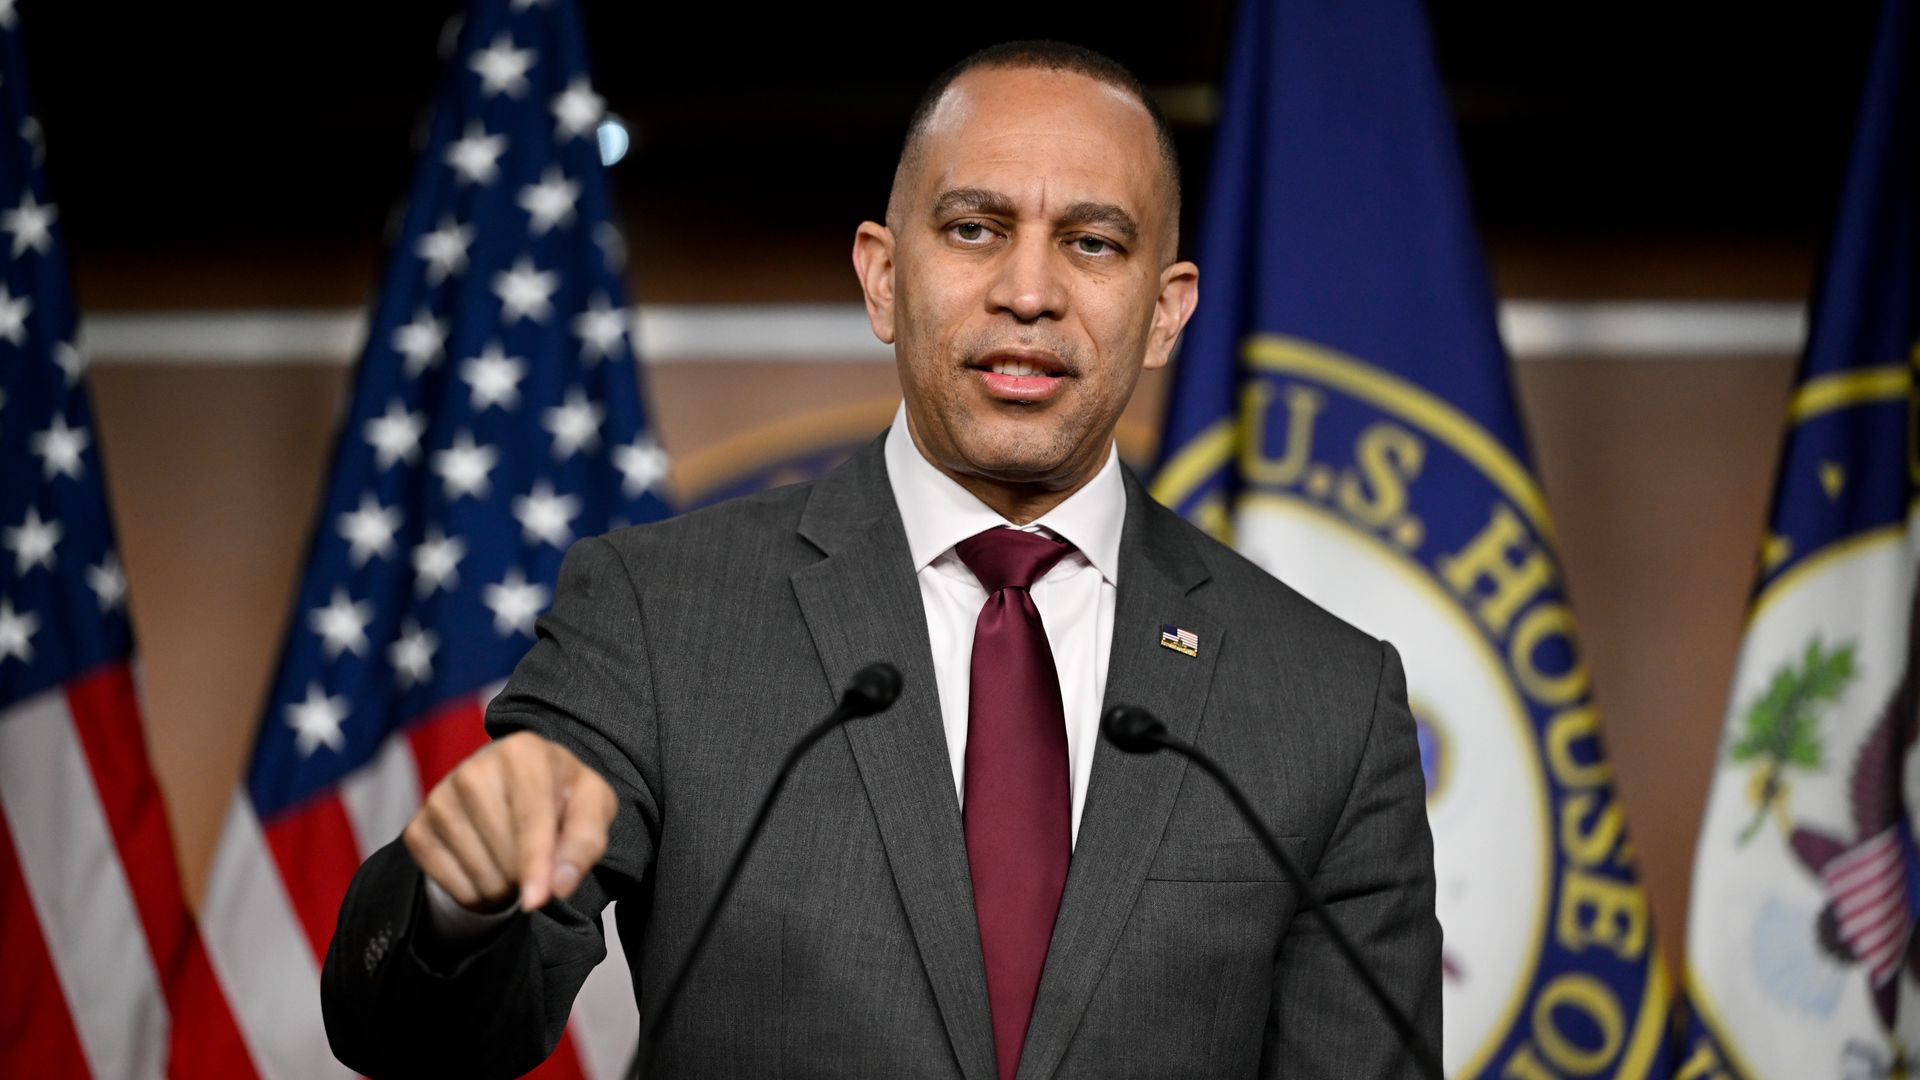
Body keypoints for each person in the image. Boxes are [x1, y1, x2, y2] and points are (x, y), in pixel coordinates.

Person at [322, 40, 1440, 1079]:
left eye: (1093, 242)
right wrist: (458, 906)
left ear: (1164, 311)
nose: (1030, 290)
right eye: (974, 228)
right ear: (882, 277)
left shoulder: (1326, 699)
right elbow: (424, 1039)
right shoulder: (660, 615)